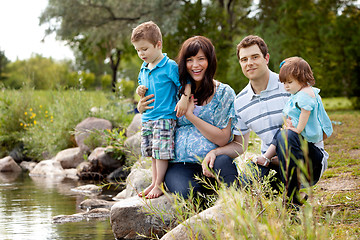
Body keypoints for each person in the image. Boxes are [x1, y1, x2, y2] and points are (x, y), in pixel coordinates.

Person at [203, 35, 330, 207]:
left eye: (255, 57)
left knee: (287, 136)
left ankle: (293, 204)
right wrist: (215, 153)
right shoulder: (240, 102)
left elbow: (323, 130)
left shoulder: (291, 86)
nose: (250, 63)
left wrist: (293, 138)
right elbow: (240, 146)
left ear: (266, 58)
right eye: (244, 59)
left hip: (307, 162)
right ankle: (250, 202)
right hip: (271, 163)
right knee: (248, 181)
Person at [138, 36, 239, 199]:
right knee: (188, 192)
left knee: (224, 165)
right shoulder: (173, 89)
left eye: (201, 59)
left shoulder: (224, 93)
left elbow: (223, 139)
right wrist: (140, 107)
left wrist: (190, 116)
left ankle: (239, 206)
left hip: (212, 160)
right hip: (180, 164)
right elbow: (153, 113)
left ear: (210, 61)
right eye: (189, 60)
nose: (195, 65)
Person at [259, 56, 333, 204]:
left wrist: (297, 129)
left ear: (302, 78)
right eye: (284, 83)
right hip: (298, 147)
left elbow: (305, 114)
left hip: (311, 154)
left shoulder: (306, 95)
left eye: (289, 82)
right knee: (282, 134)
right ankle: (269, 158)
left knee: (286, 135)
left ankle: (291, 198)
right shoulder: (297, 94)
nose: (286, 86)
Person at [131, 21, 191, 199]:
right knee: (152, 153)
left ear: (158, 45)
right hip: (148, 117)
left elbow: (186, 83)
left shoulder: (169, 66)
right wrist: (139, 91)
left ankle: (159, 184)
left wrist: (184, 99)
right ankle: (154, 181)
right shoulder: (143, 67)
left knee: (161, 152)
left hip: (165, 117)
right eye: (138, 50)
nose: (141, 54)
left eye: (145, 49)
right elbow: (142, 87)